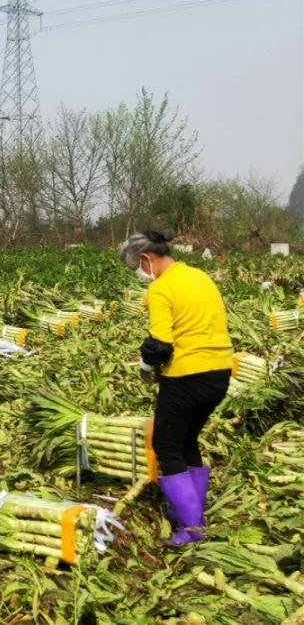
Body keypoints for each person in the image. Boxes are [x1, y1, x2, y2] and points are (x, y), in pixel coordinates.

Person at [120, 230, 233, 547]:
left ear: (147, 259)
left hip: (186, 376)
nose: (141, 276)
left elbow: (160, 344)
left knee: (166, 445)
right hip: (220, 373)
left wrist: (145, 367)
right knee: (187, 441)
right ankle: (192, 511)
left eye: (137, 269)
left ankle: (192, 529)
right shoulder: (199, 276)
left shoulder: (161, 288)